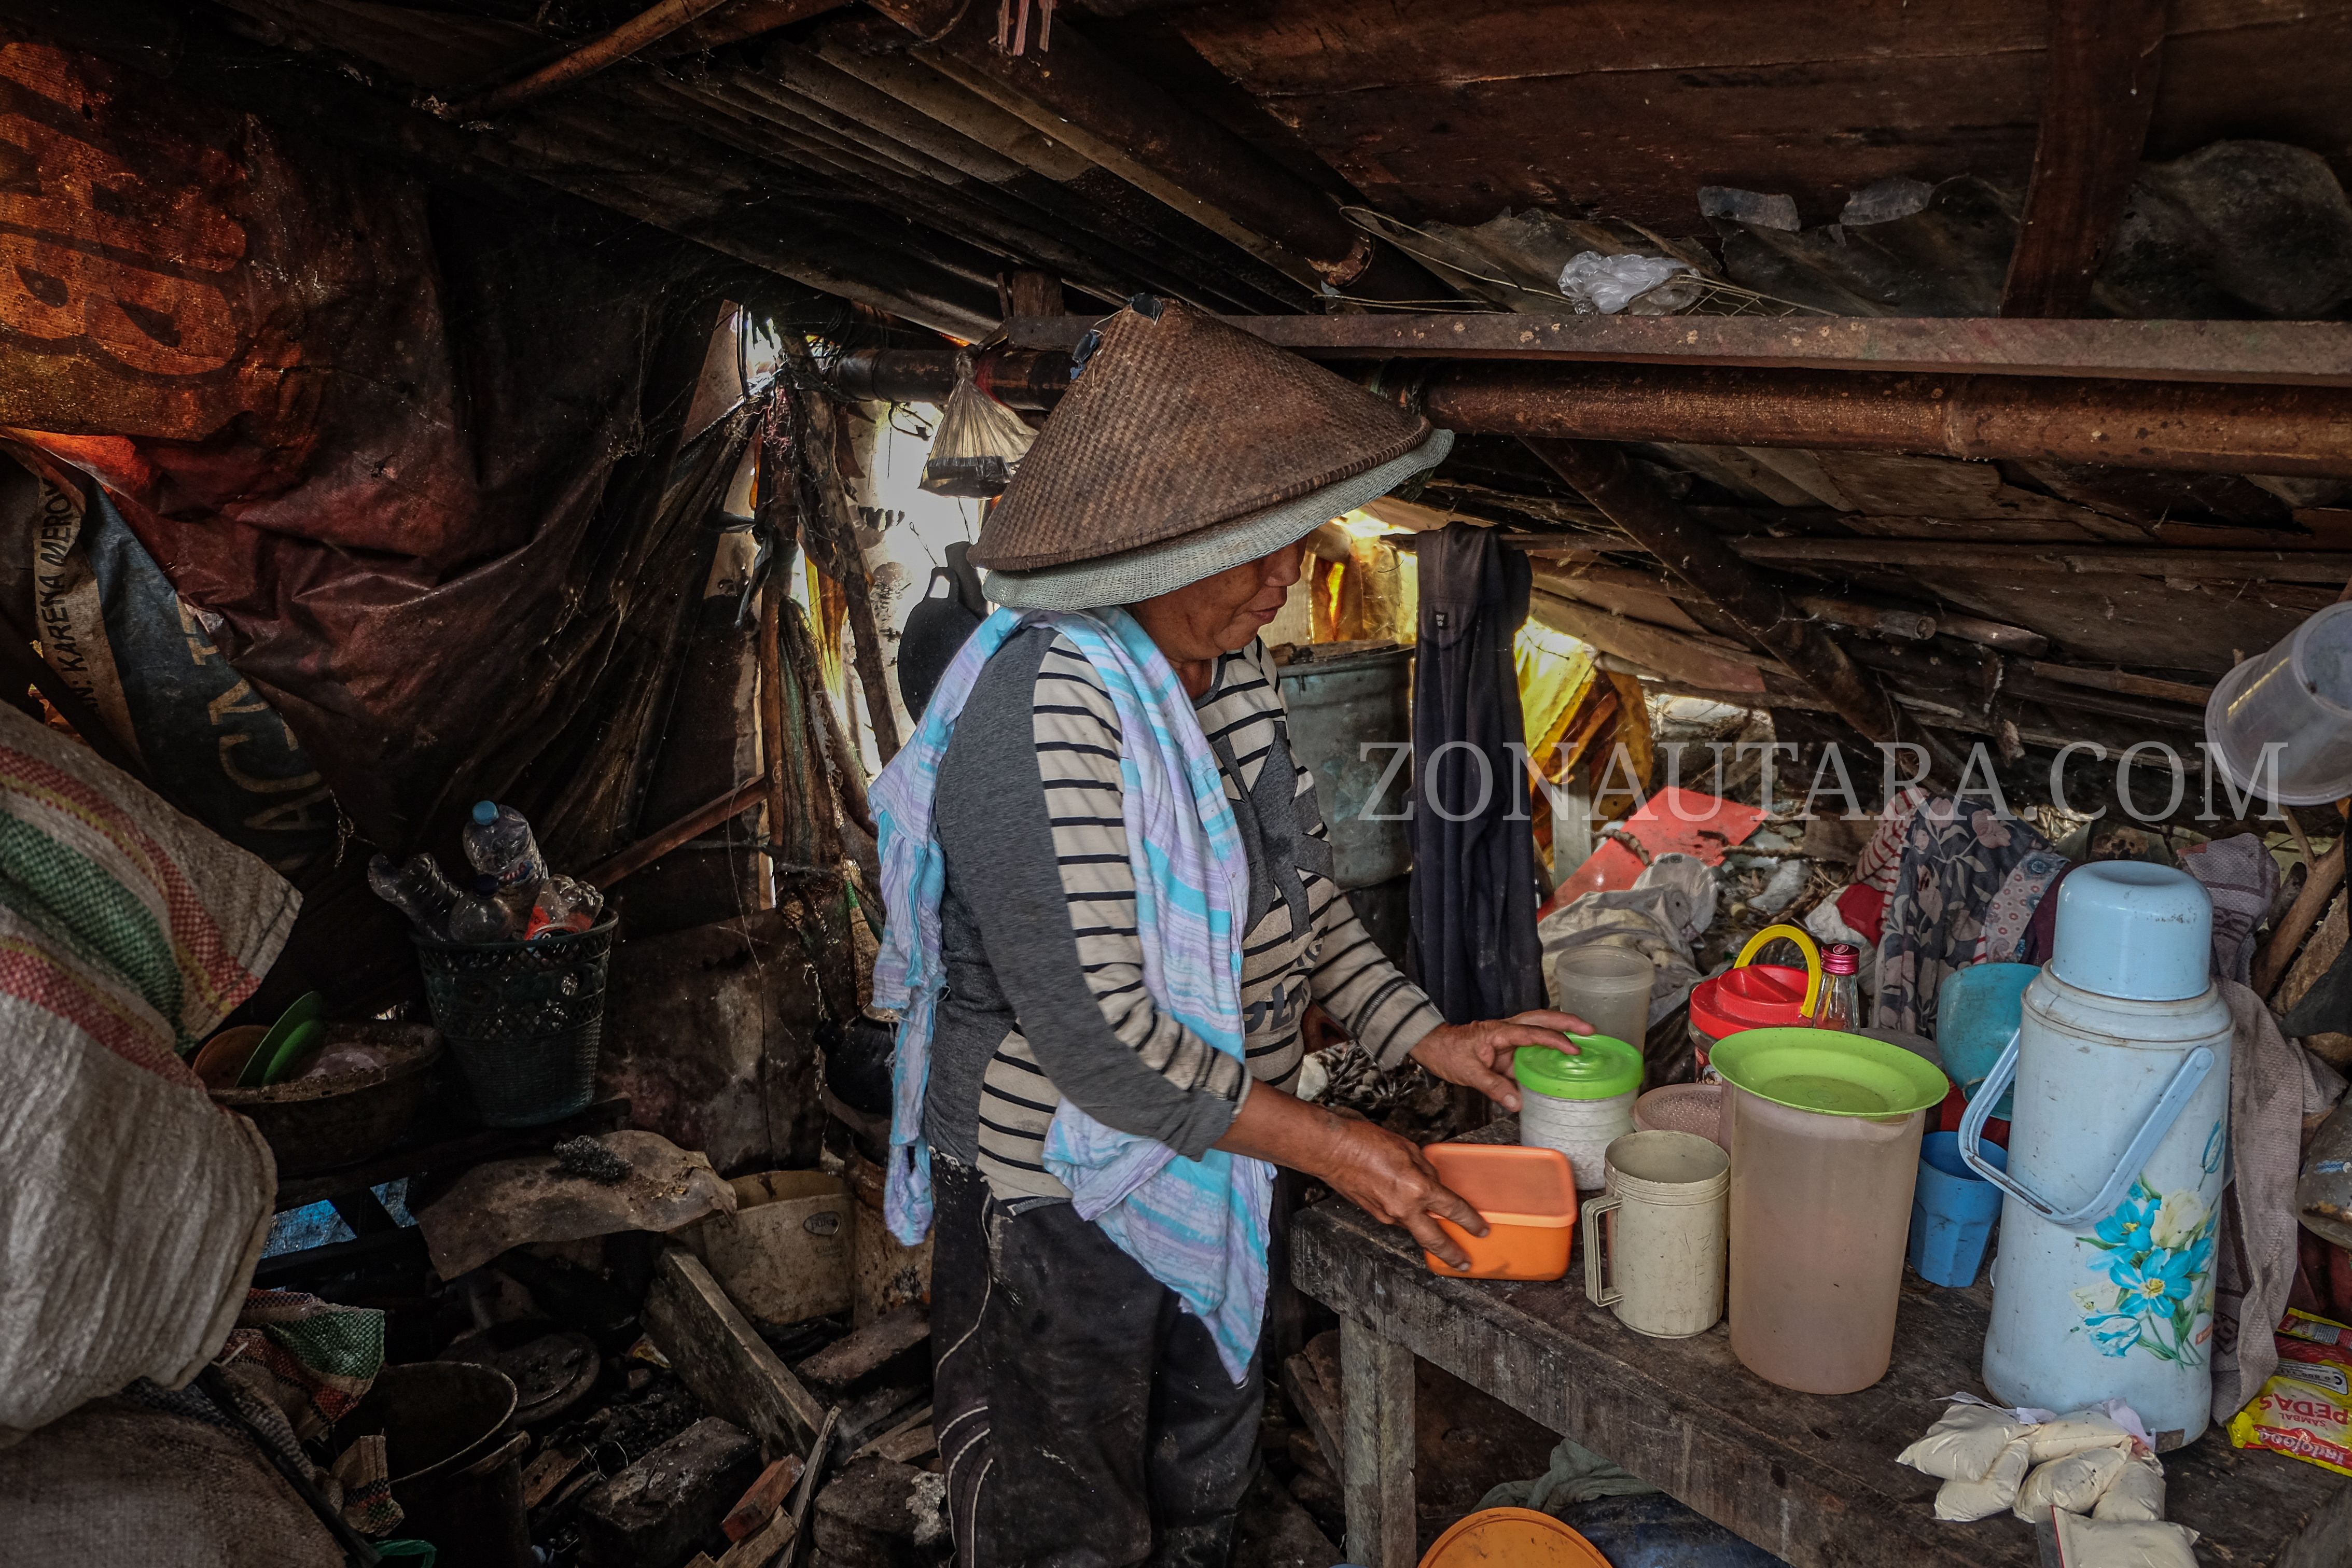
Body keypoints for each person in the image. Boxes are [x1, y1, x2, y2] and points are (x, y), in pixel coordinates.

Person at [870, 298, 1587, 1568]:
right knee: (1066, 1528)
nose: (1285, 585)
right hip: (1057, 1195)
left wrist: (1430, 1039)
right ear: (1147, 554)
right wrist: (1342, 1147)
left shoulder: (1230, 674)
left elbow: (1302, 904)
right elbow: (1104, 1053)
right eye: (1253, 557)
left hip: (1213, 1160)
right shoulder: (1045, 715)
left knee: (1199, 1487)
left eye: (1298, 549)